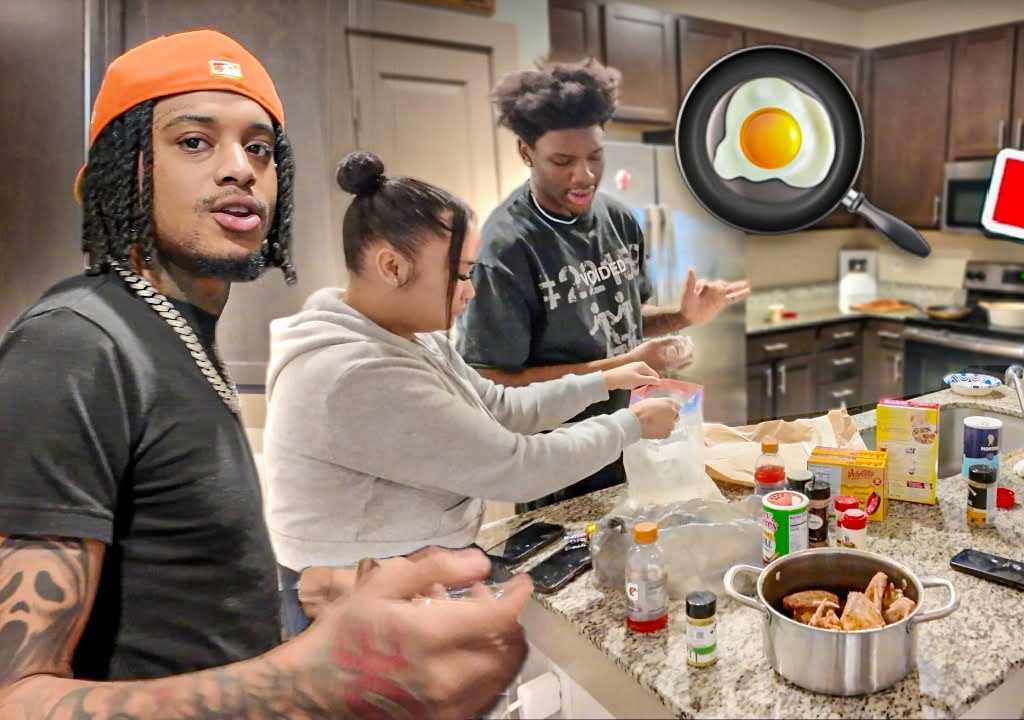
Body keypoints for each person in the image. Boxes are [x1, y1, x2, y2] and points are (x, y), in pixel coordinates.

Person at [0, 30, 530, 719]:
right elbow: (15, 698)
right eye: (194, 141)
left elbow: (173, 610)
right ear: (124, 168)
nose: (239, 169)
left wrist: (316, 602)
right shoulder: (74, 348)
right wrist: (311, 680)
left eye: (257, 147)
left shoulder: (174, 335)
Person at [263, 150, 682, 637]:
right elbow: (517, 465)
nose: (471, 291)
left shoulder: (408, 335)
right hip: (350, 602)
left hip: (401, 579)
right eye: (460, 275)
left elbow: (498, 407)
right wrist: (631, 425)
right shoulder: (354, 374)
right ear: (393, 266)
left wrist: (605, 381)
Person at [454, 57, 751, 511]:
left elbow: (622, 322)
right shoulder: (507, 249)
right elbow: (493, 381)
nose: (584, 176)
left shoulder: (617, 219)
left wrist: (683, 318)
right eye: (563, 161)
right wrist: (624, 365)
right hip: (563, 466)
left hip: (638, 441)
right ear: (525, 151)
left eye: (595, 157)